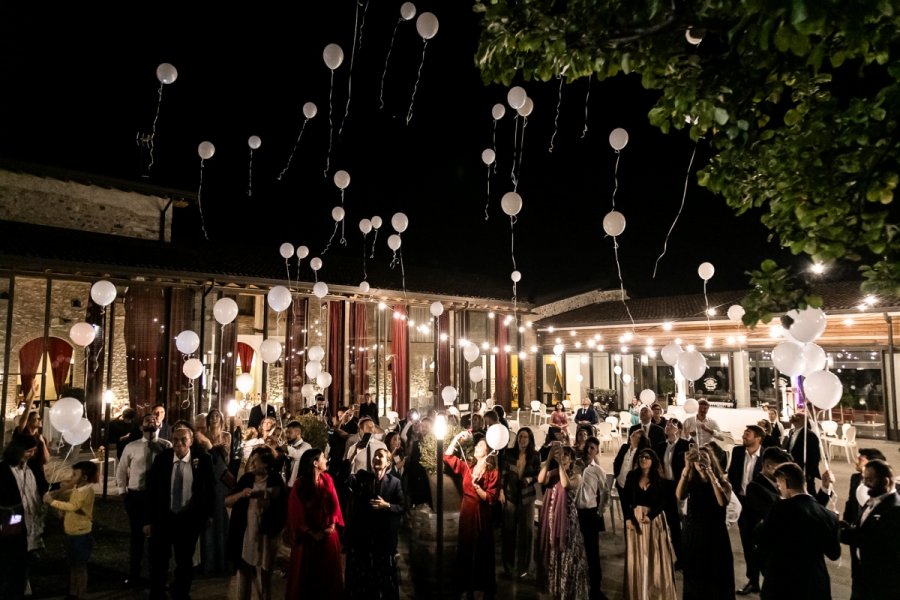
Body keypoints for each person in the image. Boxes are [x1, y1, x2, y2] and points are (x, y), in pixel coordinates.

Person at [144, 426, 215, 600]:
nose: (179, 443)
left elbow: (210, 490)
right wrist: (148, 520)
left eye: (184, 439)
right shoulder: (162, 460)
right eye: (175, 439)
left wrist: (207, 515)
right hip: (164, 519)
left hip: (188, 520)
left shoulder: (203, 460)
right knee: (159, 561)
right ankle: (157, 593)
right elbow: (151, 492)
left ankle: (181, 593)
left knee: (184, 562)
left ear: (191, 441)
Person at [756, 462, 841, 599]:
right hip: (814, 584)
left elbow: (762, 539)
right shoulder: (829, 516)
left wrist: (761, 524)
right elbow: (834, 554)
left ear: (785, 482)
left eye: (779, 485)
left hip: (783, 582)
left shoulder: (780, 509)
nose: (779, 489)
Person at [116, 412, 172, 587]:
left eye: (154, 420)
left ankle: (156, 575)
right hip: (137, 495)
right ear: (141, 427)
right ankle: (134, 575)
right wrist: (122, 492)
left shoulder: (166, 446)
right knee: (137, 537)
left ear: (159, 425)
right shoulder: (131, 447)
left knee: (158, 537)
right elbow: (121, 469)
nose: (151, 422)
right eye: (147, 420)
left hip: (157, 497)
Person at [225, 446, 287, 600]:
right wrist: (242, 493)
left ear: (266, 463)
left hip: (267, 536)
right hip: (246, 533)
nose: (252, 464)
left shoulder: (275, 480)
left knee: (265, 576)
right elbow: (227, 501)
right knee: (244, 572)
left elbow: (281, 507)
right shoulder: (246, 478)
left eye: (255, 461)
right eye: (251, 460)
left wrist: (266, 500)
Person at [444, 429, 499, 599]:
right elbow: (447, 457)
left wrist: (478, 488)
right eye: (476, 444)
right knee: (466, 547)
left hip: (481, 513)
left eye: (481, 445)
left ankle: (482, 586)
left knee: (481, 548)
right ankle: (464, 586)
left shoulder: (492, 472)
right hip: (467, 510)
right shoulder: (468, 465)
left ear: (488, 450)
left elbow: (491, 498)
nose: (476, 447)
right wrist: (455, 438)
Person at [344, 447, 405, 599]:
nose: (377, 459)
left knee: (383, 574)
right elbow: (345, 479)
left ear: (388, 463)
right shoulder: (363, 478)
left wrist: (387, 505)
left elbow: (402, 506)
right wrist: (351, 458)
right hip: (365, 536)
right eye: (375, 457)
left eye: (381, 457)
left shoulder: (394, 482)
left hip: (384, 538)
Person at [285, 448, 344, 600]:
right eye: (323, 458)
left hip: (327, 536)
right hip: (308, 539)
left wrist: (331, 526)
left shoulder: (328, 479)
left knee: (328, 576)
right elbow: (296, 512)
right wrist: (311, 532)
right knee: (307, 578)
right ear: (315, 463)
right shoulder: (300, 485)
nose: (326, 460)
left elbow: (334, 504)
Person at [677, 446, 735, 600]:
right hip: (694, 534)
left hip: (715, 536)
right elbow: (680, 495)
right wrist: (686, 468)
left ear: (711, 460)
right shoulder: (691, 481)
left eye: (704, 456)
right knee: (695, 577)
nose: (700, 460)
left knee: (716, 577)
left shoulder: (723, 482)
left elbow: (722, 501)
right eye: (697, 458)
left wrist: (710, 474)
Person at [840, 458, 900, 600]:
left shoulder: (895, 511)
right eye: (864, 479)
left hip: (880, 585)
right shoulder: (872, 500)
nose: (865, 484)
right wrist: (847, 528)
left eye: (870, 480)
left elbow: (874, 541)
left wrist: (843, 533)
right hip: (862, 579)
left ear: (885, 482)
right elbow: (864, 532)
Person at [622, 448, 677, 600]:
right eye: (641, 457)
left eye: (647, 457)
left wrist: (651, 516)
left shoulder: (659, 479)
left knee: (653, 556)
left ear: (653, 461)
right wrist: (628, 519)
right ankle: (638, 593)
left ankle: (654, 594)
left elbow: (662, 503)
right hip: (635, 521)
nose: (643, 459)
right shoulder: (632, 476)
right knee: (637, 557)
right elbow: (625, 499)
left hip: (654, 521)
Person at [536, 444, 589, 599]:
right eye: (562, 454)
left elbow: (565, 484)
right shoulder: (553, 473)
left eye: (566, 455)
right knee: (553, 551)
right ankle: (555, 588)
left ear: (571, 460)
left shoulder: (576, 476)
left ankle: (567, 588)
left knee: (566, 552)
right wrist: (549, 459)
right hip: (551, 519)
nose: (564, 456)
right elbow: (540, 479)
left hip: (567, 521)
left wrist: (559, 463)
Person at [44, 461, 99, 600]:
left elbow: (73, 506)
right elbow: (69, 498)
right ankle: (73, 593)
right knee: (74, 566)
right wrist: (62, 488)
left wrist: (51, 502)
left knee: (80, 567)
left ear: (85, 478)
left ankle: (80, 594)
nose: (71, 477)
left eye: (74, 474)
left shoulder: (87, 491)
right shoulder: (78, 488)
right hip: (72, 533)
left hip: (81, 535)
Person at [0, 436, 43, 600]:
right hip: (13, 515)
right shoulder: (3, 469)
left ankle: (21, 587)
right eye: (29, 451)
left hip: (30, 515)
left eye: (34, 451)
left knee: (26, 553)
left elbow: (42, 485)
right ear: (18, 450)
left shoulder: (32, 466)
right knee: (12, 552)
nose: (32, 454)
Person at [728, 424, 765, 596]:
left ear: (757, 438)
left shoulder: (766, 456)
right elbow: (732, 476)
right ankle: (753, 580)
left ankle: (769, 580)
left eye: (747, 434)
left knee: (763, 545)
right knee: (747, 544)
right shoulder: (737, 452)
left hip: (760, 507)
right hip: (742, 504)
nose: (744, 436)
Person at [499, 426, 541, 578]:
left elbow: (538, 474)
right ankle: (508, 566)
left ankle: (525, 567)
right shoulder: (509, 453)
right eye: (520, 437)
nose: (522, 440)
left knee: (527, 532)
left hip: (527, 497)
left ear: (530, 440)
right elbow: (502, 474)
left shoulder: (535, 455)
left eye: (525, 437)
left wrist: (530, 479)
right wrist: (501, 491)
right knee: (508, 532)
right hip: (510, 495)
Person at [575, 437, 610, 600]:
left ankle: (595, 587)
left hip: (589, 513)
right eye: (587, 447)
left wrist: (600, 510)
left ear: (596, 451)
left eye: (593, 448)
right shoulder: (575, 465)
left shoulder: (598, 471)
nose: (589, 451)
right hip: (574, 512)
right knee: (575, 548)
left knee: (592, 551)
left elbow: (605, 492)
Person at [198, 408, 232, 574]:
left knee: (220, 514)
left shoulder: (226, 435)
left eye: (217, 416)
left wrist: (214, 447)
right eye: (211, 416)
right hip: (206, 475)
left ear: (221, 419)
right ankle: (208, 561)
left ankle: (222, 559)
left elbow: (227, 456)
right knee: (207, 514)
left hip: (221, 476)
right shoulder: (202, 435)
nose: (214, 419)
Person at [653, 418, 689, 567]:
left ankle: (683, 557)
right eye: (667, 424)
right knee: (667, 521)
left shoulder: (685, 446)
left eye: (672, 424)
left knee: (679, 523)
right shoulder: (660, 446)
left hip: (679, 486)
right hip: (665, 486)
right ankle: (666, 554)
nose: (668, 426)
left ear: (679, 430)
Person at [13, 402, 51, 493]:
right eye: (36, 418)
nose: (40, 419)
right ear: (28, 422)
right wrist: (31, 398)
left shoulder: (42, 438)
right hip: (23, 470)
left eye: (40, 418)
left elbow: (47, 460)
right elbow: (22, 420)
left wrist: (43, 444)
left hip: (38, 471)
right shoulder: (22, 434)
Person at [784, 412, 821, 492]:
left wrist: (810, 474)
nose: (794, 417)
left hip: (805, 469)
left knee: (808, 490)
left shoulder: (810, 435)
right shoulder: (791, 432)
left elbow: (815, 457)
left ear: (803, 420)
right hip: (792, 468)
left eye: (797, 416)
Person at [614, 430, 650, 500]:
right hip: (620, 483)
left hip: (632, 487)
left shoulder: (641, 453)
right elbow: (616, 462)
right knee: (624, 508)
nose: (631, 436)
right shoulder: (624, 447)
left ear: (639, 439)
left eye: (634, 435)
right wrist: (617, 476)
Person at [284, 420, 312, 487]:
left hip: (298, 486)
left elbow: (298, 455)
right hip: (286, 485)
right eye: (286, 433)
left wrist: (283, 446)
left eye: (289, 432)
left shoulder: (306, 446)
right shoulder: (290, 446)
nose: (287, 435)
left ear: (298, 432)